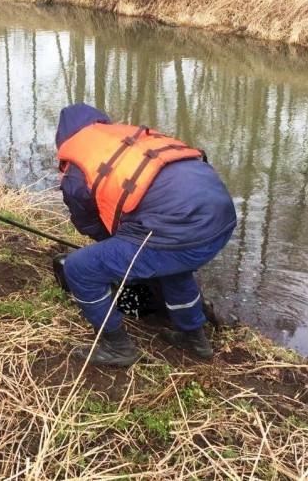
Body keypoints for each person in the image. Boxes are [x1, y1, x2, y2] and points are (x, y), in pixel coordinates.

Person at [56, 104, 237, 366]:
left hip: (180, 229)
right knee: (172, 265)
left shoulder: (78, 165)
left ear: (64, 138)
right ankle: (195, 339)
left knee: (79, 268)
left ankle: (117, 348)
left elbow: (91, 225)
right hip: (222, 219)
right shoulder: (123, 136)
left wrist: (115, 250)